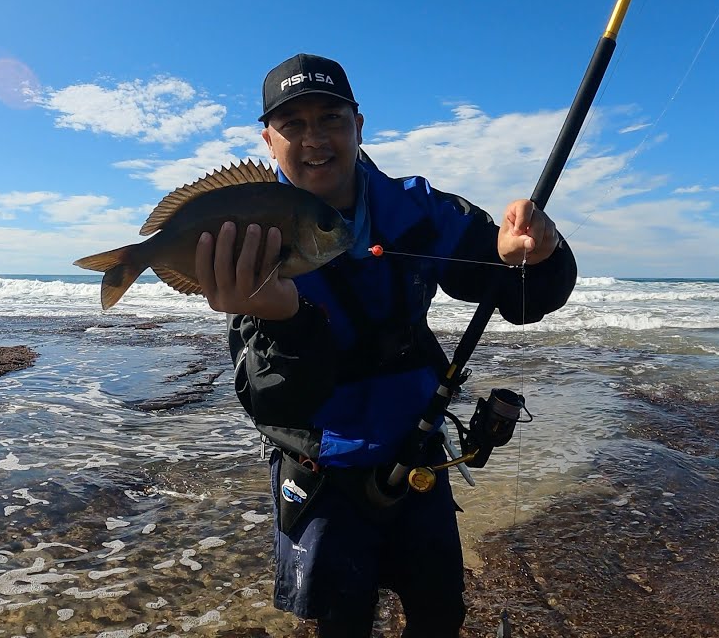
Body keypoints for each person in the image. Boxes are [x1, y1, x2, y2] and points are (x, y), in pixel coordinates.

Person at [193, 53, 577, 636]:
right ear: (268, 140)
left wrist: (538, 251)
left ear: (358, 125)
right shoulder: (252, 232)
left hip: (416, 448)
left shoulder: (419, 209)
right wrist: (285, 320)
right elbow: (273, 401)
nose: (314, 139)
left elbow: (520, 295)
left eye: (331, 118)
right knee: (340, 623)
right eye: (293, 124)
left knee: (440, 614)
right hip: (320, 468)